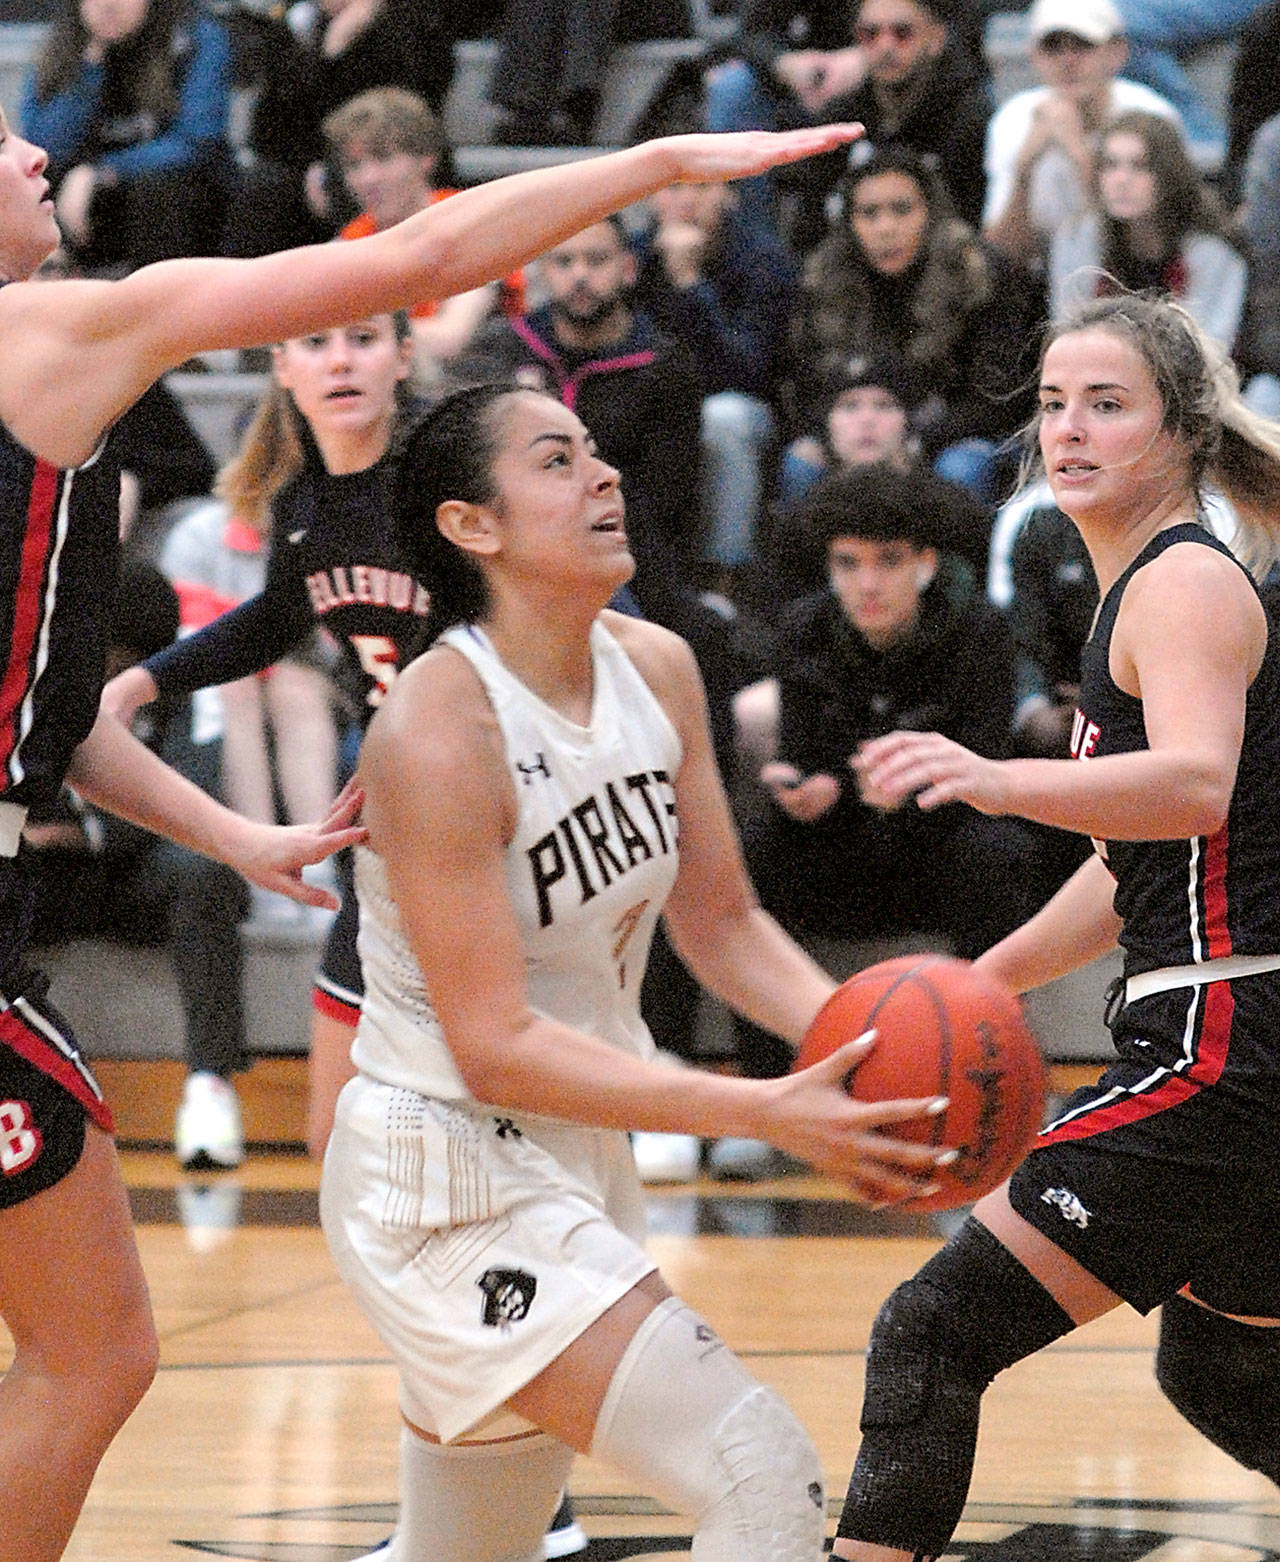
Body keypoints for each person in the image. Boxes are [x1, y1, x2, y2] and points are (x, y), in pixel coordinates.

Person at [0, 108, 867, 1562]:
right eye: (2, 144)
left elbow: (53, 709)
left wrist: (235, 835)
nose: (38, 158)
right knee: (95, 1355)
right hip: (445, 1141)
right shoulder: (44, 343)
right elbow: (421, 251)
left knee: (112, 1356)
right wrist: (658, 165)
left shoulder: (649, 664)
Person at [319, 379, 956, 1562]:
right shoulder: (435, 728)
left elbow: (718, 924)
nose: (605, 476)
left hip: (576, 1149)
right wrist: (758, 1106)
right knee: (754, 1470)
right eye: (557, 461)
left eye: (598, 452)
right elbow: (492, 1042)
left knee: (461, 1553)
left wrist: (878, 1054)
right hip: (443, 1166)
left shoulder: (657, 665)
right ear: (474, 524)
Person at [831, 291, 1280, 1562]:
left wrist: (990, 775)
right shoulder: (1132, 590)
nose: (1068, 429)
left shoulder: (1182, 583)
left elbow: (1189, 782)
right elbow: (1131, 857)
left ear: (1178, 432)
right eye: (1049, 404)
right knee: (1222, 1370)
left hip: (1224, 1036)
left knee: (930, 1332)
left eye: (1105, 404)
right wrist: (984, 977)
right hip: (1235, 1031)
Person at [104, 311, 415, 1168]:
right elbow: (279, 616)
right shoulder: (306, 499)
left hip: (496, 804)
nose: (341, 360)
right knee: (335, 1143)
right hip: (396, 819)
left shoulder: (445, 471)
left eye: (363, 339)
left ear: (405, 356)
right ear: (280, 365)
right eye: (316, 343)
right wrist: (143, 678)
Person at [726, 463, 1035, 1082]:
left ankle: (999, 1068)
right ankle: (772, 1082)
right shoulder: (804, 629)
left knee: (1000, 852)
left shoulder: (979, 632)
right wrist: (815, 793)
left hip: (942, 846)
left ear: (925, 563)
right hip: (844, 852)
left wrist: (910, 790)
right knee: (754, 848)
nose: (867, 583)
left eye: (888, 561)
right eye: (847, 563)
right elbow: (807, 754)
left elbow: (989, 764)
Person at [24, 559, 256, 1170]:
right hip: (40, 873)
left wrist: (85, 834)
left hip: (139, 873)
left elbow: (193, 798)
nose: (112, 672)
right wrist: (26, 835)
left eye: (124, 659)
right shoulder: (30, 671)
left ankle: (210, 1089)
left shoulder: (183, 686)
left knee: (206, 873)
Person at [797, 145, 1038, 502]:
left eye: (902, 210)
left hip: (957, 436)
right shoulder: (825, 278)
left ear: (931, 213)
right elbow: (805, 387)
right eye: (869, 213)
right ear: (849, 222)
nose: (886, 227)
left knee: (961, 468)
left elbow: (998, 400)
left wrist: (914, 439)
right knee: (800, 464)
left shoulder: (980, 275)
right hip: (855, 437)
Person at [632, 175, 798, 585]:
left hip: (742, 407)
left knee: (725, 418)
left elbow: (746, 371)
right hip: (649, 400)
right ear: (650, 197)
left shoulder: (763, 259)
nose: (686, 201)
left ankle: (725, 577)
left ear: (728, 194)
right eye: (672, 188)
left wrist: (690, 285)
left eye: (702, 187)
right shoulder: (629, 258)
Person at [323, 87, 525, 384]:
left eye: (383, 158)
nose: (367, 179)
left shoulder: (471, 221)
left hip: (479, 385)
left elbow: (451, 337)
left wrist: (355, 339)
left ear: (426, 159)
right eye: (354, 165)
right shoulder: (346, 245)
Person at [21, 0, 233, 272]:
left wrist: (102, 172)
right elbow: (43, 147)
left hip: (170, 204)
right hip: (79, 207)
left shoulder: (192, 37)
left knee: (160, 192)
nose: (109, 4)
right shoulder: (64, 43)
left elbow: (199, 140)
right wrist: (90, 66)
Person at [982, 0, 1180, 273]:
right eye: (1053, 47)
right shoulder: (1012, 120)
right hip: (1040, 284)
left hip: (1132, 279)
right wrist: (1024, 171)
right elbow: (1002, 257)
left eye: (1083, 45)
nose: (1067, 61)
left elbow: (1149, 248)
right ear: (1034, 56)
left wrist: (1080, 155)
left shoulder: (1153, 117)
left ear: (1117, 52)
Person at [1050, 109, 1247, 349]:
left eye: (1140, 166)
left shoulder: (1212, 252)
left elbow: (1210, 353)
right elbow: (1067, 336)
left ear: (1169, 175)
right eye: (1110, 165)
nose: (1121, 179)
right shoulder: (1078, 236)